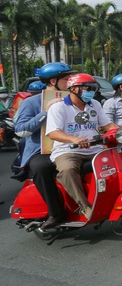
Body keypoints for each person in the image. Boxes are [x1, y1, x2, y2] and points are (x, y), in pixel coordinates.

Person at [47, 73, 118, 220]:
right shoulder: (59, 107)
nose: (90, 92)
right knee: (67, 170)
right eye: (87, 88)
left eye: (92, 88)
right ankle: (84, 206)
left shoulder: (95, 104)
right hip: (67, 150)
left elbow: (108, 125)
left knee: (118, 161)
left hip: (94, 148)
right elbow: (53, 133)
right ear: (74, 89)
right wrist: (74, 139)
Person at [13, 62, 74, 229]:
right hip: (42, 150)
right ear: (53, 81)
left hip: (70, 147)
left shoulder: (72, 100)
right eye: (67, 79)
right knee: (41, 168)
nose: (70, 82)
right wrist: (45, 112)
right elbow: (20, 130)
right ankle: (56, 213)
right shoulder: (31, 102)